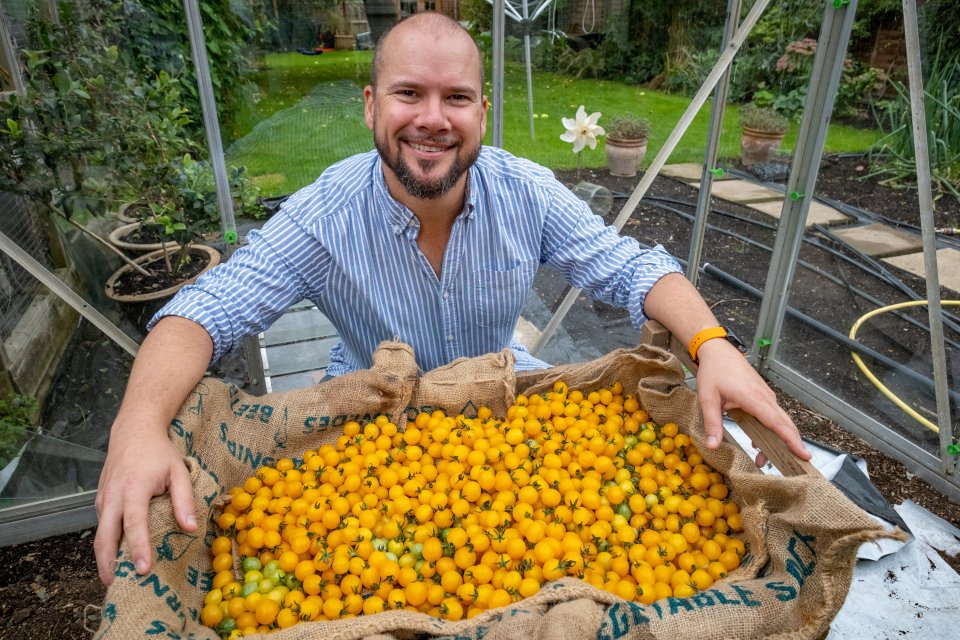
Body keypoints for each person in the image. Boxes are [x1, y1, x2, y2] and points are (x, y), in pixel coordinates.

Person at [94, 11, 811, 585]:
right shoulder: (324, 217)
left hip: (503, 403)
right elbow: (203, 310)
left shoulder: (523, 193)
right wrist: (138, 426)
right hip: (370, 414)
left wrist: (712, 348)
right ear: (371, 104)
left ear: (482, 112)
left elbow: (629, 270)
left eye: (456, 98)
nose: (432, 119)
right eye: (409, 93)